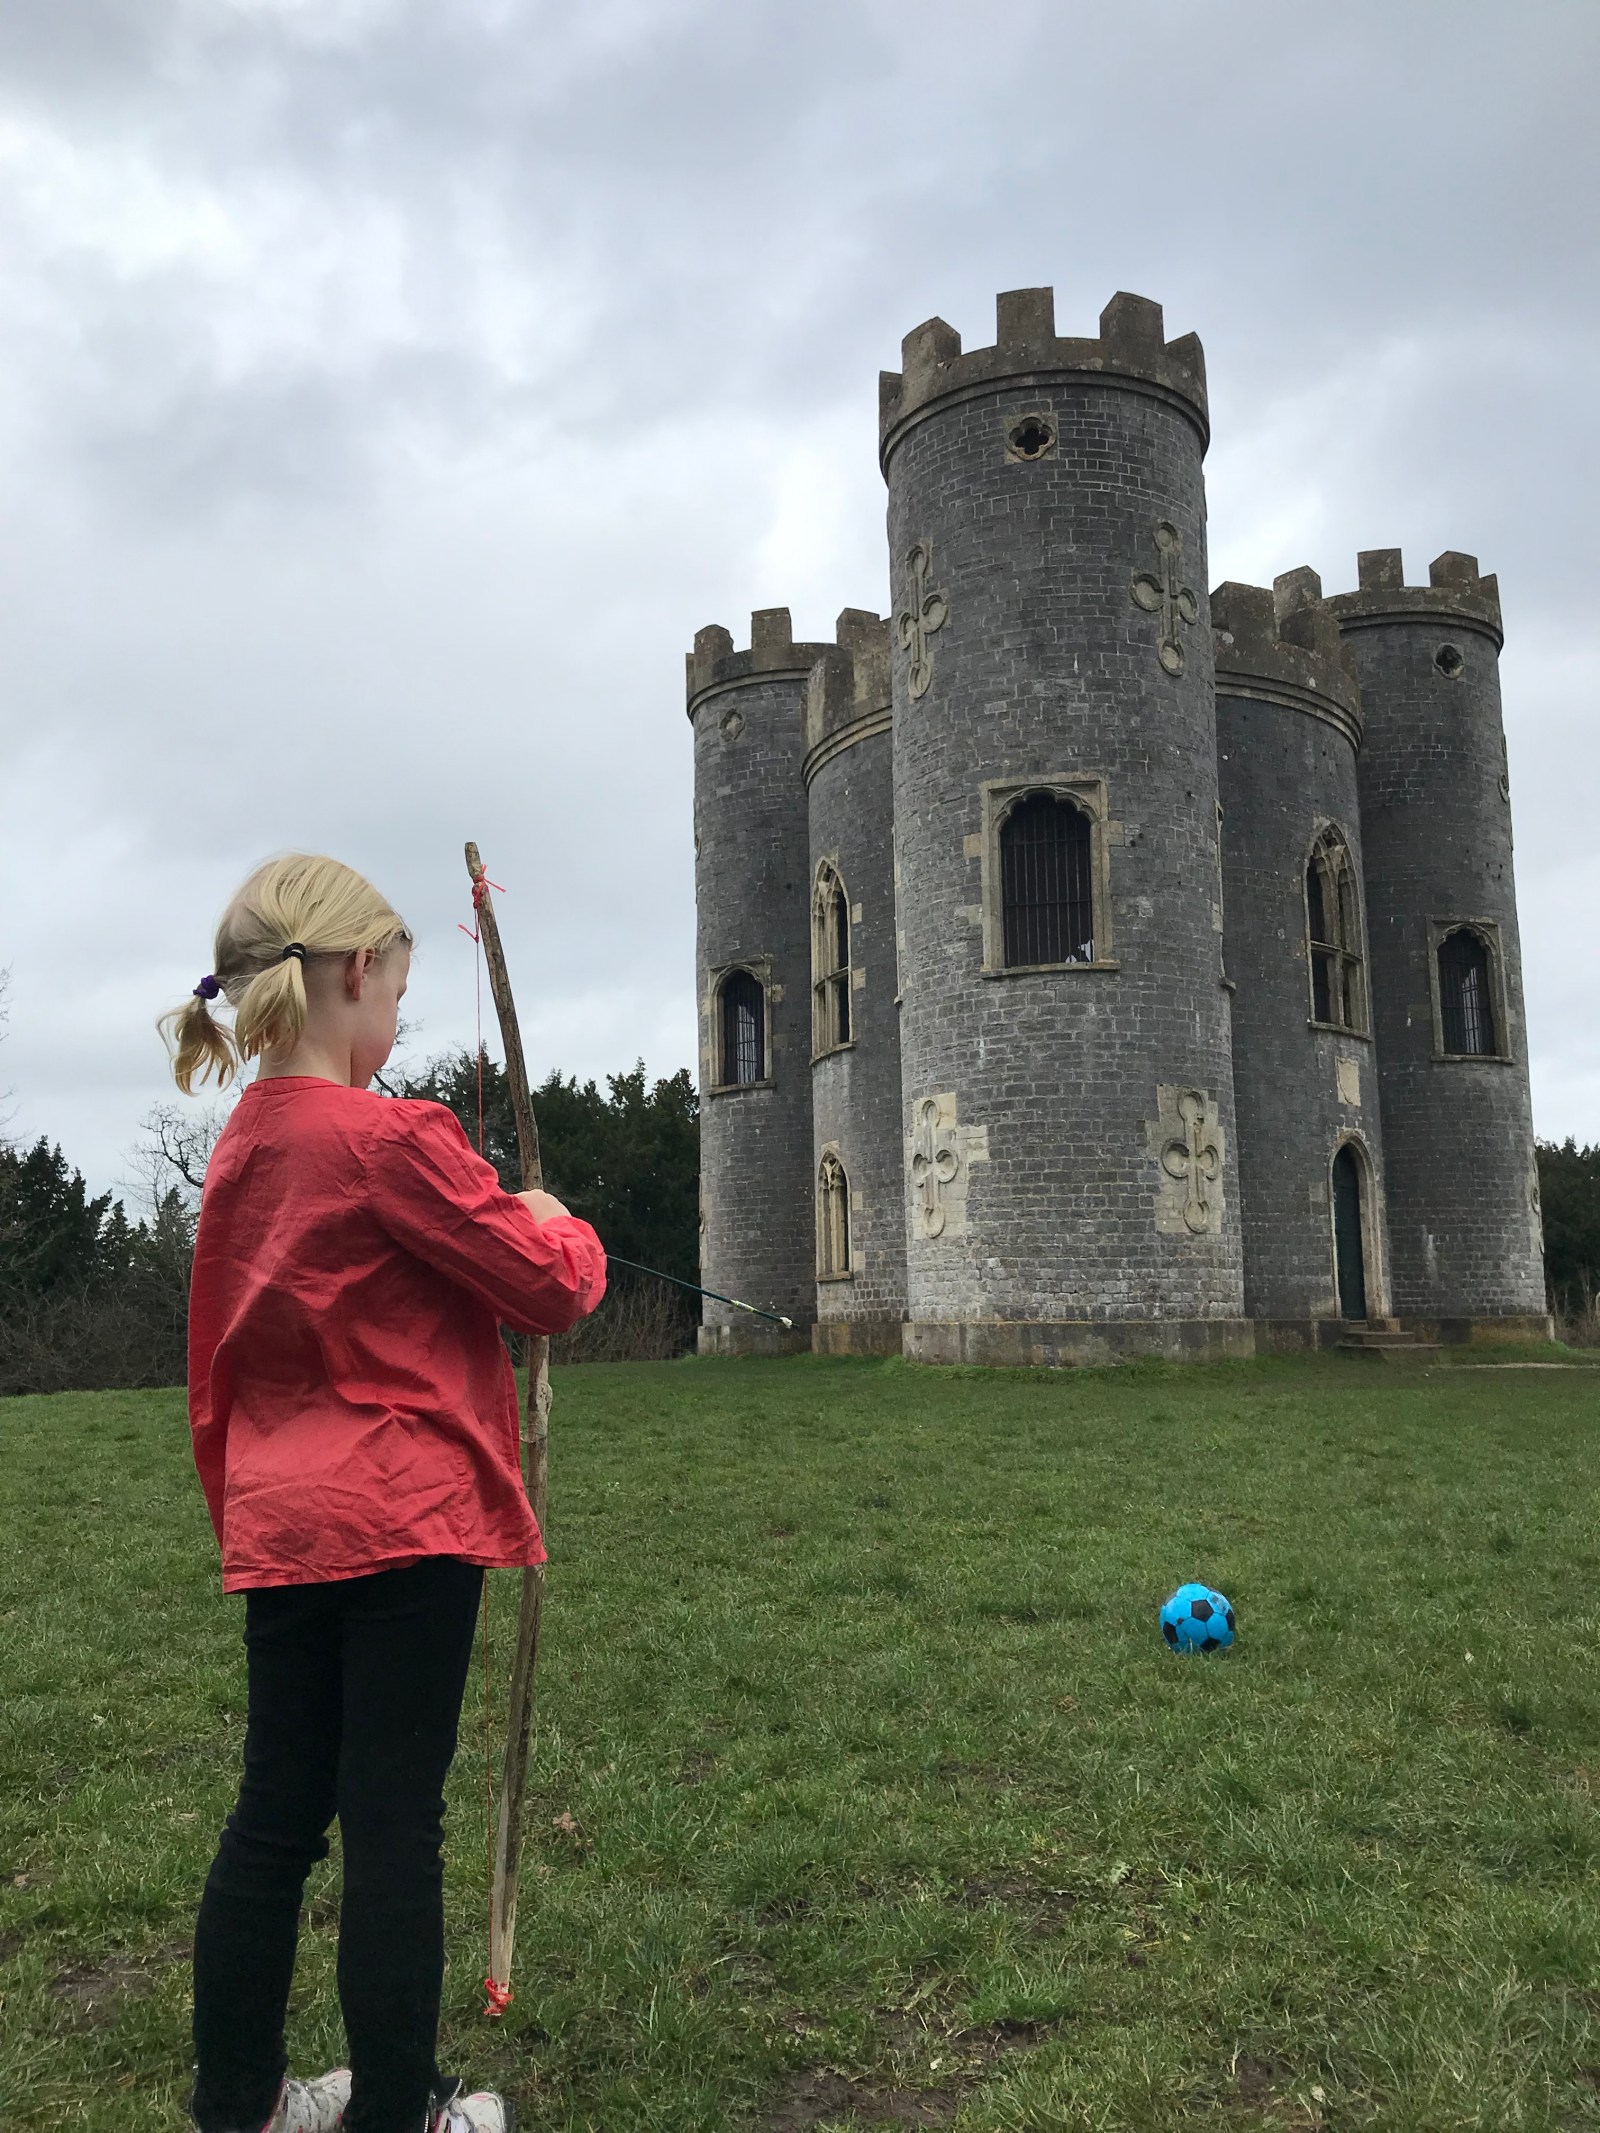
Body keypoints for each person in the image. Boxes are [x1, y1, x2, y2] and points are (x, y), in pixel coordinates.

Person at [162, 853, 606, 2133]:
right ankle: (397, 2112)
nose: (400, 1019)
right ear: (356, 973)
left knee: (276, 1816)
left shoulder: (246, 1146)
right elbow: (549, 1289)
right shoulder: (387, 1140)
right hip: (406, 1528)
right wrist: (553, 1219)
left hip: (285, 1523)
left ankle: (240, 2106)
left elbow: (221, 1355)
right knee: (394, 1828)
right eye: (399, 994)